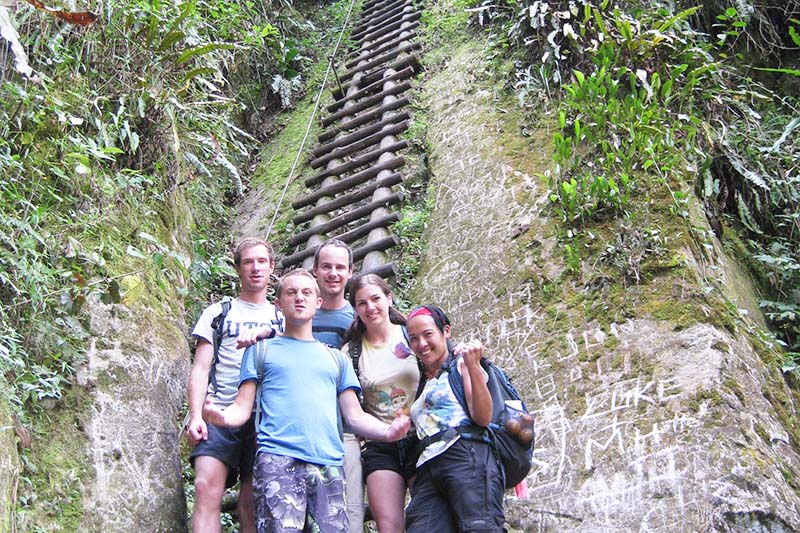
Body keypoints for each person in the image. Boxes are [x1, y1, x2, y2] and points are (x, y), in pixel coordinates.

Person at [202, 268, 411, 533]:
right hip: (278, 460)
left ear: (318, 302)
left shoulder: (338, 359)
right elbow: (242, 409)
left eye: (306, 292)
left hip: (328, 463)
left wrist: (387, 431)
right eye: (291, 293)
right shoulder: (260, 351)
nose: (299, 298)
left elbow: (354, 416)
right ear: (278, 304)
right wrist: (221, 417)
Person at [237, 238, 364, 532]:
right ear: (316, 269)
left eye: (340, 267)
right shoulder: (271, 342)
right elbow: (288, 332)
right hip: (283, 441)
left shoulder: (357, 319)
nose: (333, 273)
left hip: (334, 437)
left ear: (349, 272)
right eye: (326, 267)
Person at [185, 237, 283, 533]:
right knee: (205, 489)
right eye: (248, 262)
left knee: (252, 503)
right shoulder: (219, 313)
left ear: (271, 267)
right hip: (219, 411)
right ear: (238, 268)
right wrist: (195, 415)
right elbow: (201, 368)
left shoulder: (282, 317)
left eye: (261, 262)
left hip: (265, 418)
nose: (255, 268)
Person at [404, 305, 505, 533]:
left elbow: (482, 416)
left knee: (480, 528)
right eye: (414, 339)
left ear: (445, 331)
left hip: (465, 457)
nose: (422, 344)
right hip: (428, 468)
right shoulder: (424, 382)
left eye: (428, 334)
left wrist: (472, 366)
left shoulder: (461, 364)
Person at [341, 274, 420, 533]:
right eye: (362, 303)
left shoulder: (413, 335)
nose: (370, 307)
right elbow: (352, 412)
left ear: (389, 297)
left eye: (376, 298)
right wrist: (386, 432)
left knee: (431, 517)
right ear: (355, 309)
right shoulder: (350, 353)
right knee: (388, 526)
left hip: (422, 436)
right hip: (380, 443)